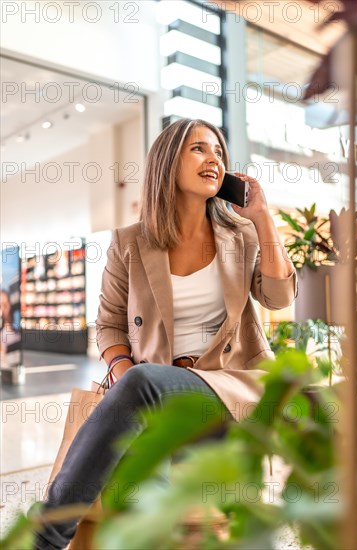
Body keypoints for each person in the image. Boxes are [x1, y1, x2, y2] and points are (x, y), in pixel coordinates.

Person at [31, 118, 297, 549]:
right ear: (167, 162)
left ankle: (44, 539)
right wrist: (120, 367)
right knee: (165, 520)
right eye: (198, 149)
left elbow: (279, 296)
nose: (213, 158)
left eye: (218, 151)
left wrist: (263, 217)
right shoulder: (130, 242)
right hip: (156, 386)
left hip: (231, 384)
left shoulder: (242, 235)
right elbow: (109, 322)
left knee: (143, 383)